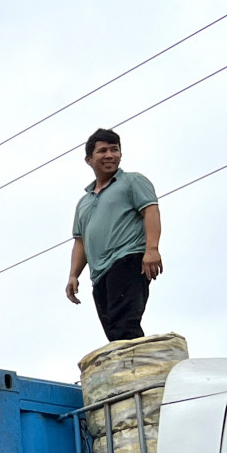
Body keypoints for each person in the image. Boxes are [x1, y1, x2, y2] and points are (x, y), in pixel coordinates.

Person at [65, 127, 161, 342]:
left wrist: (152, 249)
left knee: (125, 324)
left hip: (127, 258)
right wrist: (73, 275)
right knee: (114, 333)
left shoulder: (132, 181)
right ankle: (126, 370)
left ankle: (140, 372)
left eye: (114, 150)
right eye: (102, 151)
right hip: (99, 274)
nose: (110, 155)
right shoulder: (84, 202)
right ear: (89, 159)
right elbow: (80, 241)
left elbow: (150, 210)